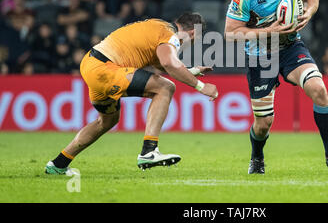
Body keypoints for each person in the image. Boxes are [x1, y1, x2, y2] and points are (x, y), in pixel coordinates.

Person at [224, 0, 328, 175]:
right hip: (260, 57)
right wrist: (267, 31)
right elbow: (230, 34)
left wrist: (309, 13)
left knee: (318, 88)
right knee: (263, 124)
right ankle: (257, 156)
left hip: (291, 47)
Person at [45, 13, 218, 174]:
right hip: (105, 67)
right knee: (165, 88)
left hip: (92, 63)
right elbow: (169, 63)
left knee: (107, 120)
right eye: (194, 41)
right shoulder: (170, 35)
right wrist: (201, 87)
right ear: (192, 33)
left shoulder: (158, 27)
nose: (190, 46)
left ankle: (59, 163)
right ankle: (149, 151)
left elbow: (161, 64)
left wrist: (192, 71)